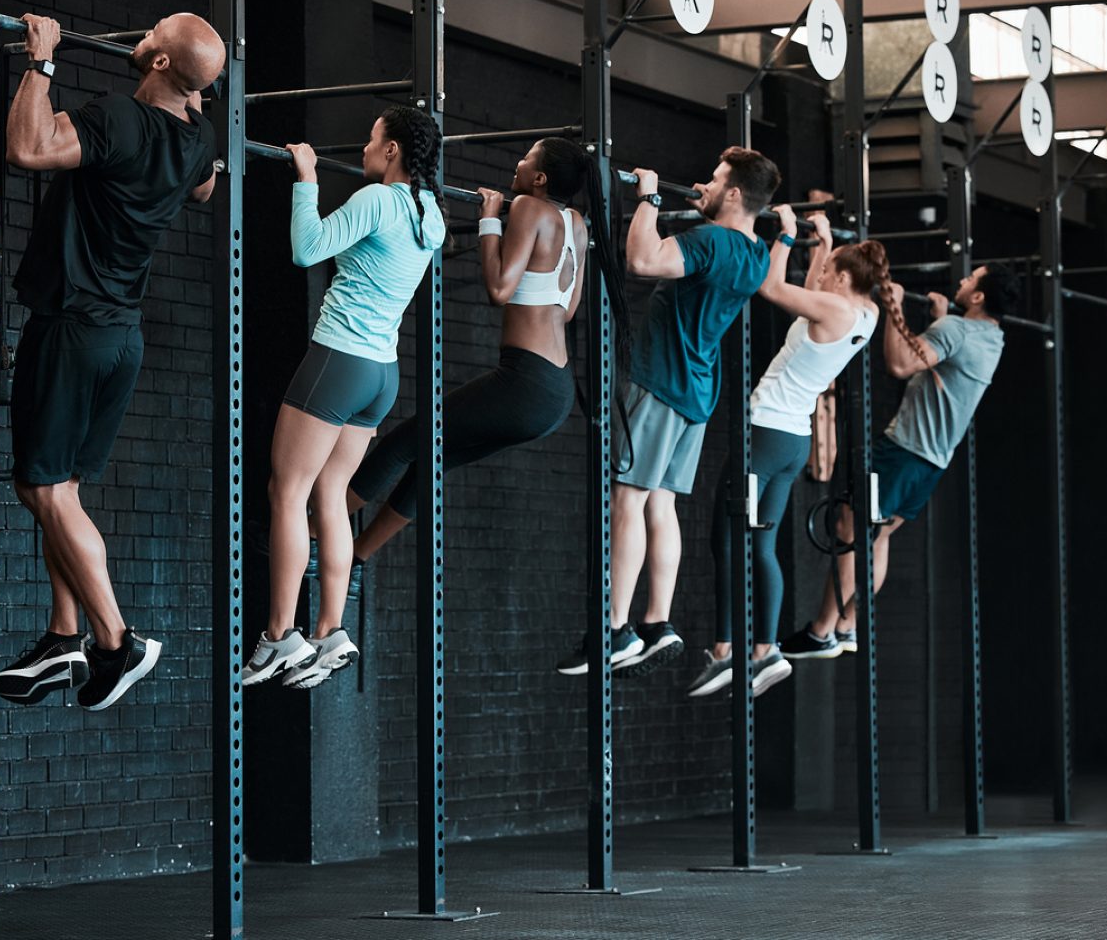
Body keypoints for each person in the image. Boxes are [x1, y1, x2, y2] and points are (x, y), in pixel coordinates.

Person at [0, 13, 226, 710]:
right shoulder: (199, 138)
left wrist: (42, 60)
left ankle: (116, 642)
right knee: (61, 491)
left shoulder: (117, 120)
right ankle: (64, 638)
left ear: (157, 63)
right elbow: (206, 188)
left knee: (43, 492)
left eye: (151, 31)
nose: (143, 32)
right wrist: (194, 96)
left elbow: (28, 149)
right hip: (120, 337)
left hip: (72, 328)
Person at [343, 137, 629, 563]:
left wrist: (491, 220)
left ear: (540, 177)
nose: (518, 161)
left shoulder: (530, 209)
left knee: (401, 444)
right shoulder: (577, 223)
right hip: (554, 395)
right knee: (432, 459)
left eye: (527, 157)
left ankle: (312, 530)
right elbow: (566, 309)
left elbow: (498, 288)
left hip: (525, 384)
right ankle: (356, 559)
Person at [240, 106, 446, 690]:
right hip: (381, 373)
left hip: (340, 359)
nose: (362, 150)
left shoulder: (378, 200)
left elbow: (308, 249)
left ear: (393, 152)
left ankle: (280, 636)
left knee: (288, 492)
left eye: (371, 139)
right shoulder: (429, 213)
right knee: (329, 493)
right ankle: (330, 628)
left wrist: (305, 178)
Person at [557, 146, 782, 678]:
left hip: (662, 384)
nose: (702, 185)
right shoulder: (754, 255)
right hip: (698, 396)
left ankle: (614, 632)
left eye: (713, 178)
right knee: (661, 506)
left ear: (732, 193)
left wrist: (650, 196)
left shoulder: (711, 241)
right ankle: (658, 622)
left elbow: (642, 260)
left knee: (628, 501)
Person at [688, 217, 894, 698]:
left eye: (827, 271)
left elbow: (773, 287)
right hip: (792, 440)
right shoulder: (865, 313)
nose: (819, 275)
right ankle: (764, 649)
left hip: (766, 433)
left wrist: (783, 236)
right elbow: (810, 292)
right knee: (760, 546)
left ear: (842, 280)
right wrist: (822, 246)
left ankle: (724, 653)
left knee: (725, 539)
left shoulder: (835, 307)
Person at [781, 263, 1020, 659]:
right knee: (878, 537)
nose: (962, 280)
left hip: (905, 450)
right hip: (931, 463)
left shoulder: (956, 331)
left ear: (977, 297)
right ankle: (846, 626)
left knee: (850, 530)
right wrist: (942, 319)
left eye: (971, 279)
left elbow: (899, 364)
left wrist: (893, 307)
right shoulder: (991, 337)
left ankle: (821, 630)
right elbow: (950, 356)